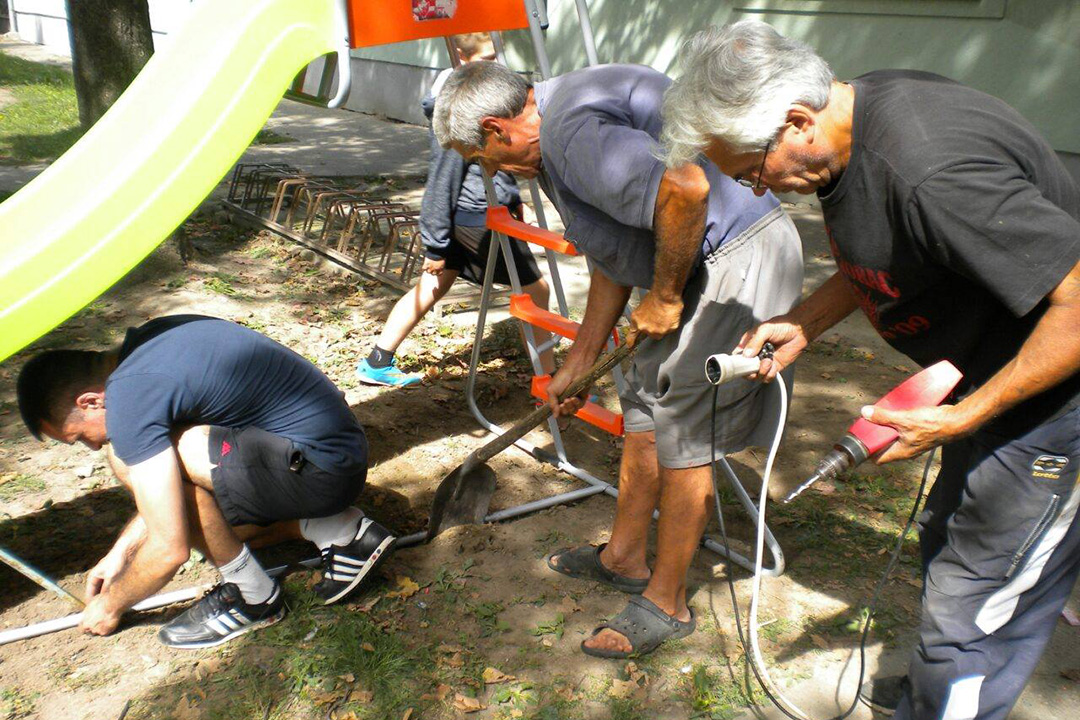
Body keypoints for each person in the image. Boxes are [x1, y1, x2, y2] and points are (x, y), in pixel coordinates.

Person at [662, 20, 1080, 720]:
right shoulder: (853, 117)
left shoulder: (932, 173)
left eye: (751, 171)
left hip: (1053, 407)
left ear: (796, 121)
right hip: (984, 379)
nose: (759, 192)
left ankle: (954, 697)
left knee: (978, 606)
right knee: (949, 541)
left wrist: (960, 418)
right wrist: (804, 323)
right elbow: (889, 251)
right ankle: (936, 693)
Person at [433, 61, 803, 658]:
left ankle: (667, 601)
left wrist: (661, 296)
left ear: (498, 127)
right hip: (684, 258)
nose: (492, 170)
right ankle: (624, 557)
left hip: (735, 257)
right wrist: (580, 358)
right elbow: (616, 248)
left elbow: (685, 189)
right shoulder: (559, 132)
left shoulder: (568, 130)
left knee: (684, 426)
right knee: (642, 408)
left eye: (483, 157)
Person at [16, 315, 396, 649]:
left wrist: (111, 603)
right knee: (216, 525)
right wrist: (122, 553)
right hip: (332, 452)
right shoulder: (147, 343)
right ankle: (342, 531)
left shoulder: (131, 397)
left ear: (89, 402)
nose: (92, 446)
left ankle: (253, 596)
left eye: (80, 437)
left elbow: (170, 547)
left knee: (127, 458)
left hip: (322, 471)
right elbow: (168, 491)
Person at [355, 33, 554, 386]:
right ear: (461, 58)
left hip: (479, 211)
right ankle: (551, 378)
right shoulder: (461, 113)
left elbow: (491, 166)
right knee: (536, 291)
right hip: (477, 219)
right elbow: (442, 181)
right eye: (487, 58)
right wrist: (435, 243)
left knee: (433, 286)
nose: (495, 65)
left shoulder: (481, 99)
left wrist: (510, 195)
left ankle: (377, 360)